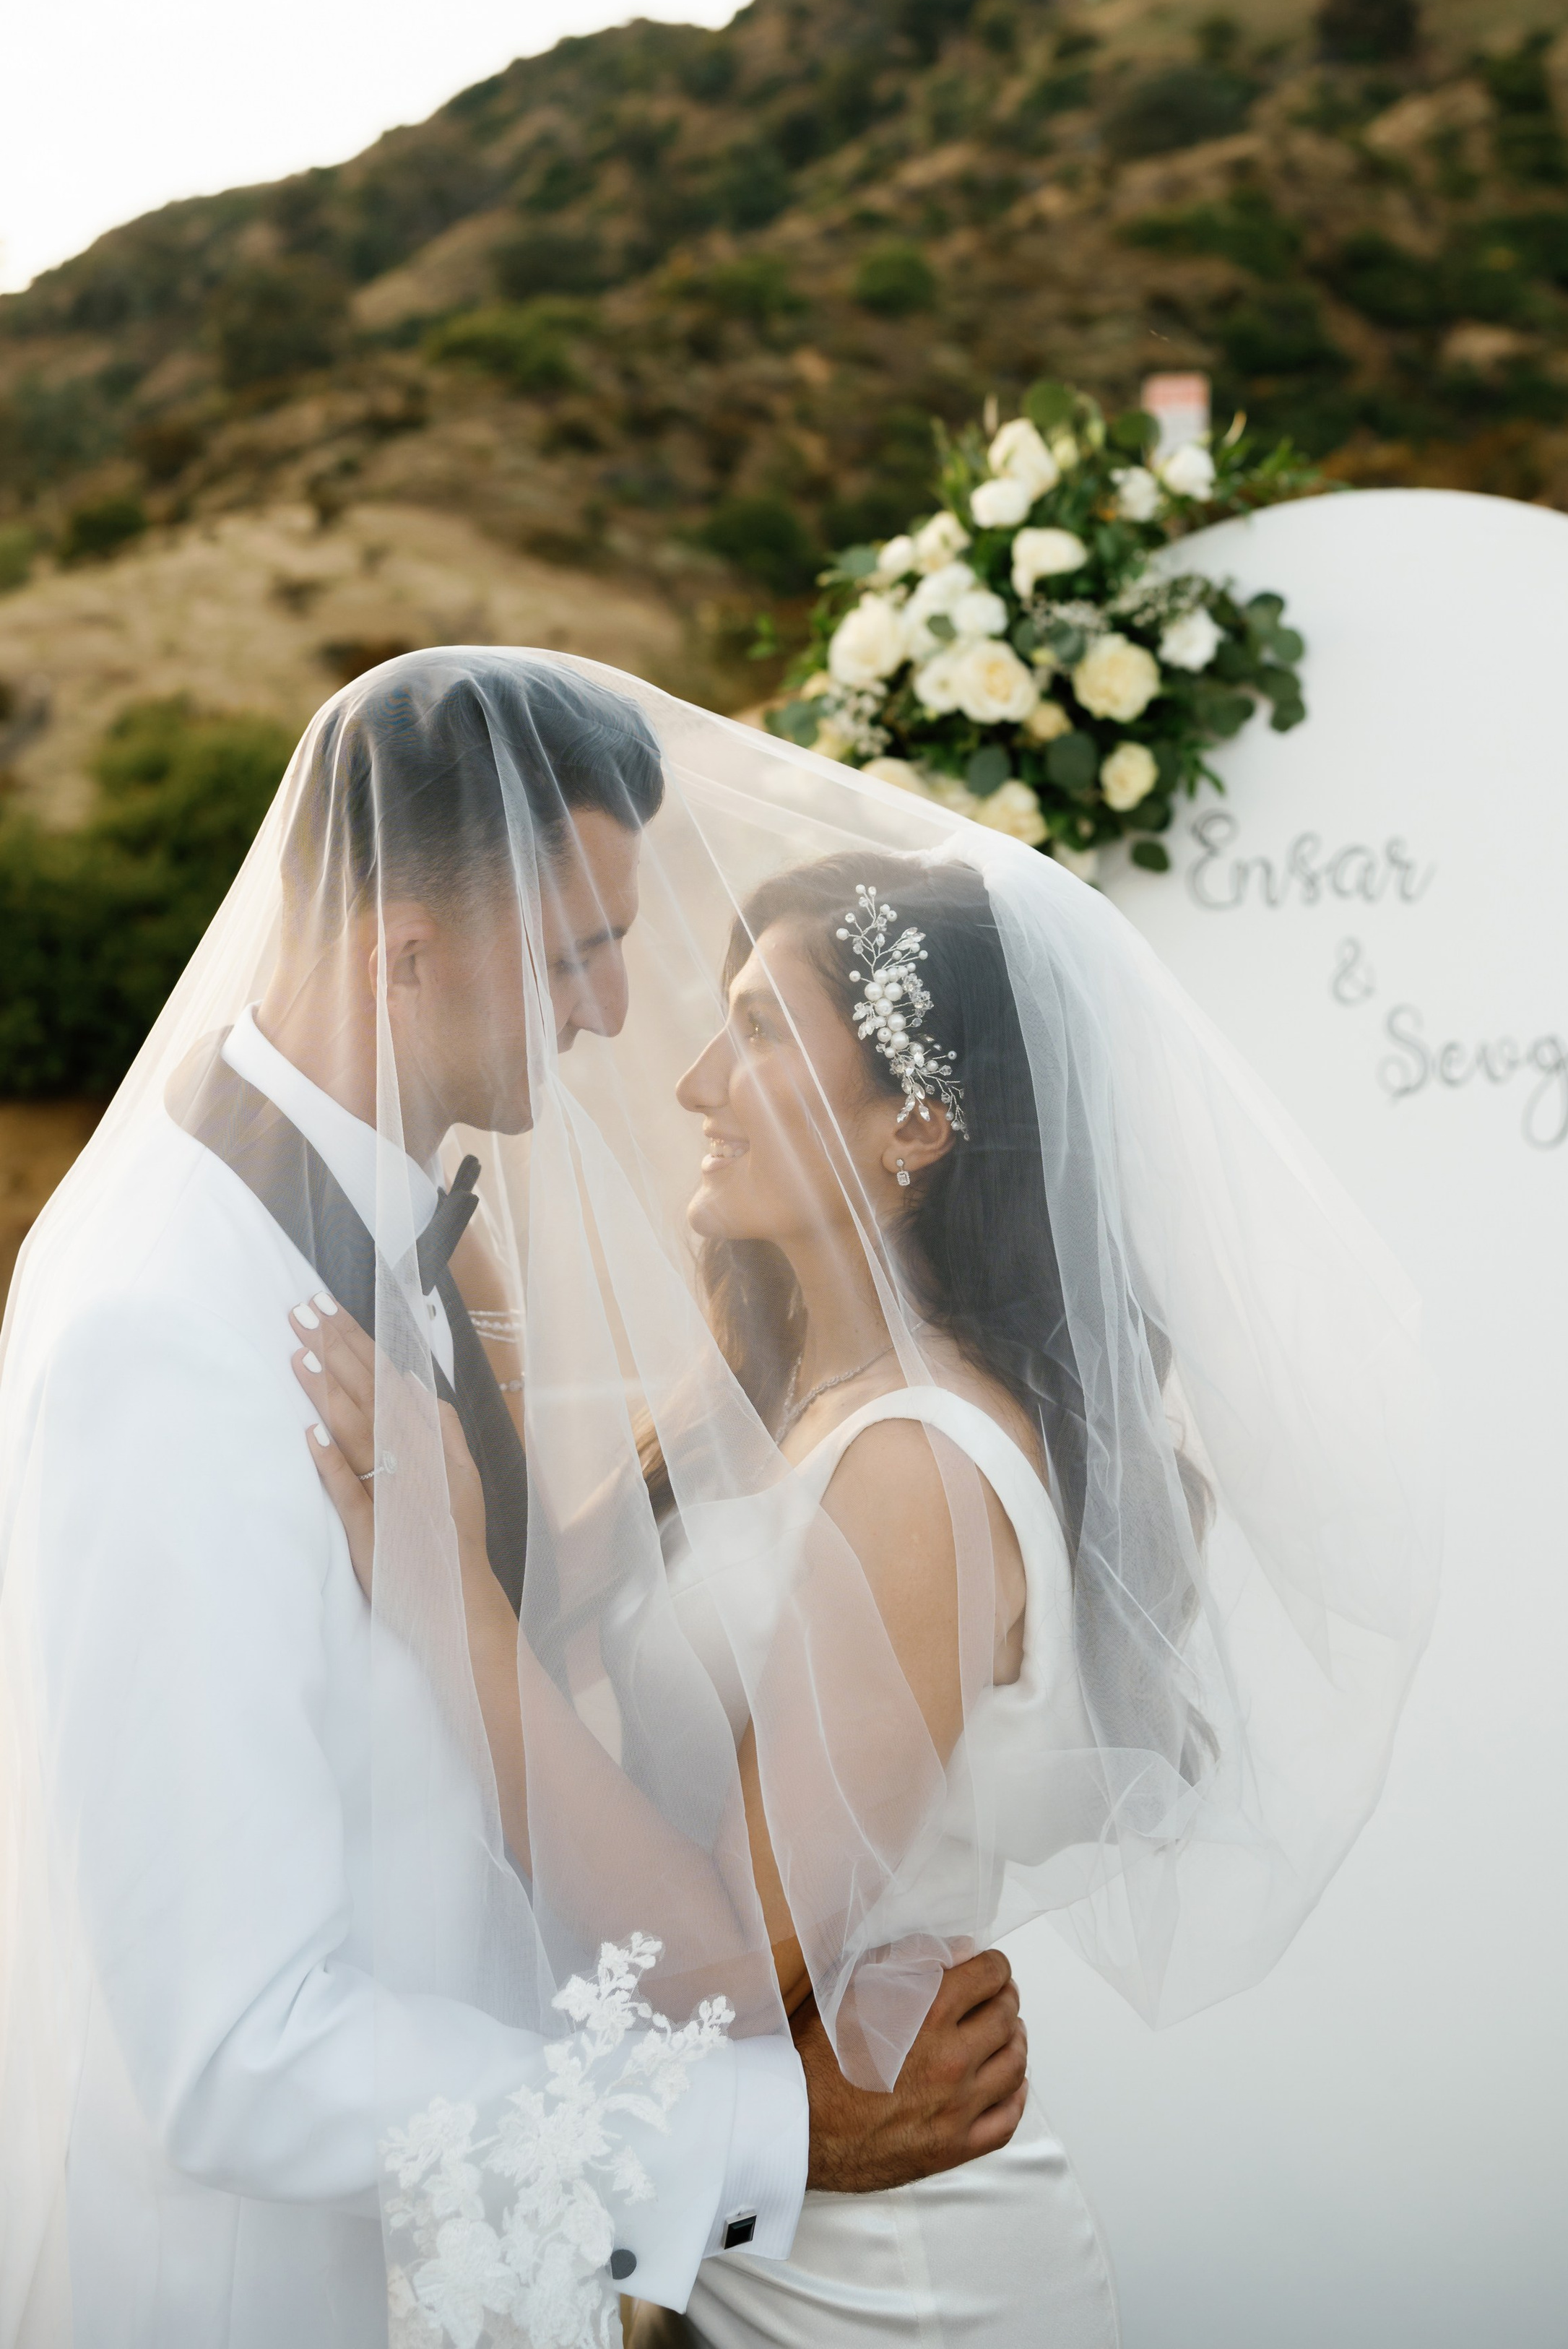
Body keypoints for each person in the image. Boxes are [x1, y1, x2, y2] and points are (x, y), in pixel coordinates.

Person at [267, 660, 1440, 2349]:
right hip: (745, 2228)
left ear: (917, 1125)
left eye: (757, 1034)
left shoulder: (918, 1472)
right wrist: (464, 1344)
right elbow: (557, 1621)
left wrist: (443, 1591)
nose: (693, 1083)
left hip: (890, 2283)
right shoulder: (764, 1396)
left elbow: (725, 1967)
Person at [0, 654, 1028, 2349]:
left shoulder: (384, 1254)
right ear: (407, 954)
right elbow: (238, 2051)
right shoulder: (170, 1323)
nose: (617, 1015)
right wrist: (765, 2134)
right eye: (573, 957)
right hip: (272, 2299)